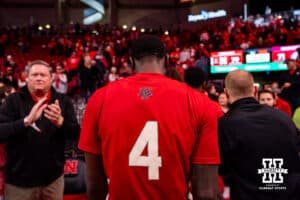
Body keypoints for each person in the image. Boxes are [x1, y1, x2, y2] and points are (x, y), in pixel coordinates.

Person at [78, 35, 221, 200]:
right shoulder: (200, 102)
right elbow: (206, 192)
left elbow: (95, 187)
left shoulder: (99, 99)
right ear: (166, 60)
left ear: (131, 62)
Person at [0, 60, 80, 200]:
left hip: (53, 181)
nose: (38, 78)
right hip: (18, 184)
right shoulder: (12, 101)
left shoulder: (64, 101)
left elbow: (76, 134)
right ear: (27, 78)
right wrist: (26, 121)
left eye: (43, 75)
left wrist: (61, 122)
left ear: (51, 78)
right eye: (34, 74)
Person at [218, 70, 300, 200]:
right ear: (255, 91)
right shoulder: (284, 118)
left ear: (226, 93)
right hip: (289, 193)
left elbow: (222, 169)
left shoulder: (224, 124)